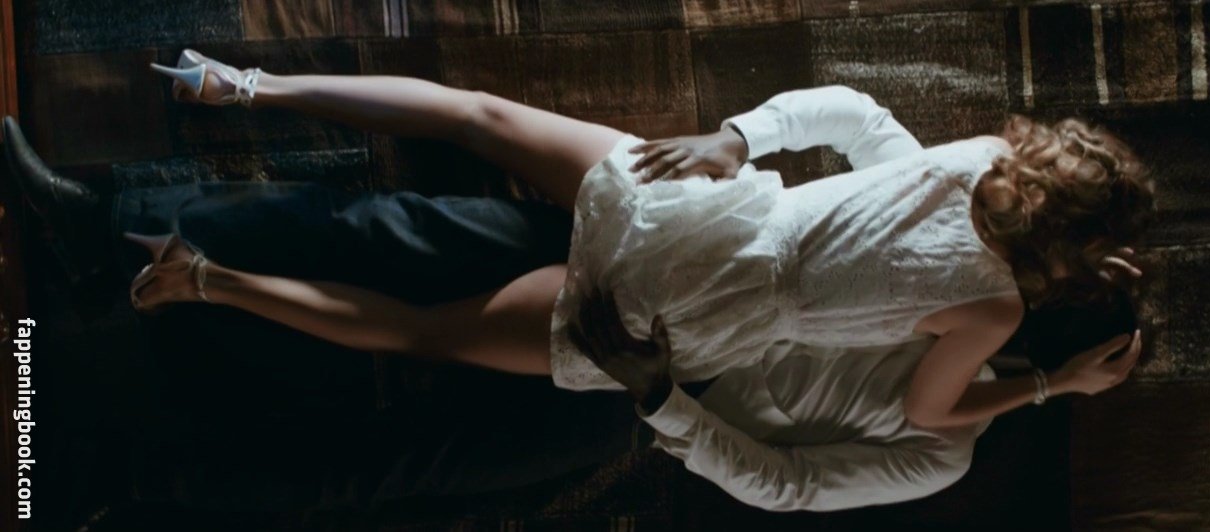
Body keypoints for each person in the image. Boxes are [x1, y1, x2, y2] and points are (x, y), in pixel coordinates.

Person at [7, 45, 1150, 511]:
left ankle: (232, 106)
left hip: (683, 294)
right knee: (415, 310)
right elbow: (926, 405)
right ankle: (184, 257)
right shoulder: (983, 318)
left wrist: (733, 148)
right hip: (685, 308)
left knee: (470, 142)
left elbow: (795, 476)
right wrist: (736, 137)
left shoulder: (973, 166)